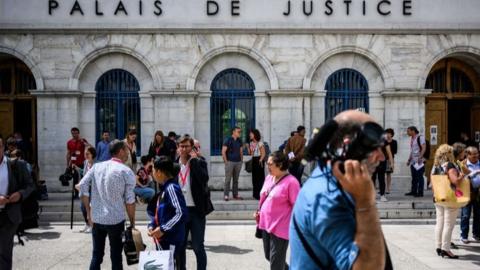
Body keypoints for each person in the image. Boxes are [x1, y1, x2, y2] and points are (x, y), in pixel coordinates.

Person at [289, 110, 390, 269]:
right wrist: (366, 204)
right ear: (348, 147)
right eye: (374, 147)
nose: (382, 157)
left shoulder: (334, 182)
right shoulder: (327, 199)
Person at [79, 140, 136, 270]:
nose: (128, 152)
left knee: (96, 255)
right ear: (121, 151)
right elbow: (129, 200)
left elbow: (82, 185)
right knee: (116, 256)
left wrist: (89, 212)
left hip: (97, 218)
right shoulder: (126, 171)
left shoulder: (97, 167)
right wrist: (132, 222)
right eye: (127, 150)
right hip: (116, 220)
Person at [256, 151, 300, 270]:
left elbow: (298, 208)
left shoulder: (292, 182)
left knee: (275, 264)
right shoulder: (269, 178)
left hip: (281, 228)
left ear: (280, 164)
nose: (267, 166)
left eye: (270, 164)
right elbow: (264, 197)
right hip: (265, 225)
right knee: (269, 256)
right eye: (267, 163)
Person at [176, 136, 213, 270]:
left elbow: (204, 179)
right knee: (180, 246)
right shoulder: (174, 165)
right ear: (178, 148)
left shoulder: (200, 162)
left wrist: (194, 162)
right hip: (180, 212)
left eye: (187, 146)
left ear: (192, 148)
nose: (184, 149)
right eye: (182, 146)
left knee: (198, 246)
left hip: (196, 211)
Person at [0, 138, 35, 270]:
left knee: (4, 252)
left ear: (3, 148)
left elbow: (30, 185)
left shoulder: (16, 165)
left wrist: (20, 194)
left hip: (8, 216)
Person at [147, 156, 187, 269]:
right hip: (163, 239)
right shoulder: (164, 189)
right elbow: (160, 214)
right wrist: (152, 225)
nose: (152, 173)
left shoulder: (171, 188)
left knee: (170, 266)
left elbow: (181, 213)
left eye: (153, 170)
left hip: (170, 239)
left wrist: (163, 229)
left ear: (159, 172)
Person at [431, 144, 465, 259]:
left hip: (438, 197)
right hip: (450, 198)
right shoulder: (450, 165)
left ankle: (438, 246)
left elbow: (432, 183)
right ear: (449, 154)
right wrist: (461, 176)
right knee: (448, 224)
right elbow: (455, 181)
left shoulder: (436, 165)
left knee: (439, 223)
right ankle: (446, 249)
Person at [460, 146, 480, 243]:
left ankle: (476, 234)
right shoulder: (462, 164)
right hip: (467, 192)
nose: (476, 156)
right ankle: (464, 235)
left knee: (478, 214)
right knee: (465, 215)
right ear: (468, 155)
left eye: (477, 153)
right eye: (474, 155)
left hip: (478, 193)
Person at [76, 146, 96, 233]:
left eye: (88, 154)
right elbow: (84, 174)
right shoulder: (85, 163)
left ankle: (92, 225)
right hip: (85, 188)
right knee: (83, 207)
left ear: (92, 154)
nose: (86, 155)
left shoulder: (96, 164)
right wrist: (77, 169)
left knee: (91, 207)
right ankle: (87, 224)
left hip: (93, 188)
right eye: (85, 154)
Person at [222, 127, 244, 201]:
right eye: (238, 132)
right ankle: (226, 195)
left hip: (238, 162)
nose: (240, 133)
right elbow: (223, 151)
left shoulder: (239, 140)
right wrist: (226, 162)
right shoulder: (228, 140)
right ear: (233, 132)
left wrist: (241, 161)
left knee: (236, 180)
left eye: (240, 132)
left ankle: (235, 195)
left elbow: (241, 151)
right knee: (228, 179)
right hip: (230, 162)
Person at [67, 127, 90, 198]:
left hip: (82, 163)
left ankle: (84, 192)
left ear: (78, 133)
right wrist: (68, 164)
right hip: (74, 163)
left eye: (76, 133)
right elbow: (68, 153)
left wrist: (85, 144)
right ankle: (76, 194)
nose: (74, 135)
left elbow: (89, 147)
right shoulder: (69, 142)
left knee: (84, 178)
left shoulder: (82, 140)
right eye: (73, 133)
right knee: (75, 179)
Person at [405, 126, 426, 197]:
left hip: (419, 161)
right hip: (413, 161)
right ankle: (413, 191)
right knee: (414, 177)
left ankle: (420, 192)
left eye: (408, 131)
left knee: (420, 176)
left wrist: (420, 157)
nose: (407, 133)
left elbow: (424, 148)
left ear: (413, 131)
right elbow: (412, 150)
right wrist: (409, 160)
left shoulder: (420, 137)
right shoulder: (412, 139)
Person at [371, 137, 394, 202]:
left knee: (381, 178)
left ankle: (382, 195)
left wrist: (392, 163)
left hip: (381, 162)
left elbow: (389, 152)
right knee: (372, 179)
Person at [248, 129, 266, 200]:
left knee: (260, 178)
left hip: (259, 160)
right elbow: (251, 154)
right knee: (254, 178)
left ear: (255, 134)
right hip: (254, 160)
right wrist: (249, 147)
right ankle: (255, 194)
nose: (250, 135)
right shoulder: (251, 143)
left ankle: (261, 194)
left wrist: (260, 160)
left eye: (251, 134)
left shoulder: (260, 143)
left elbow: (263, 153)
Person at [384, 128, 397, 194]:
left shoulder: (394, 142)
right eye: (386, 133)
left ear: (392, 134)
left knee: (388, 174)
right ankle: (382, 188)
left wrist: (390, 159)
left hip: (389, 159)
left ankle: (388, 188)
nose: (388, 135)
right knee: (381, 174)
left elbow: (395, 151)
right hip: (383, 159)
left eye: (389, 133)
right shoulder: (383, 141)